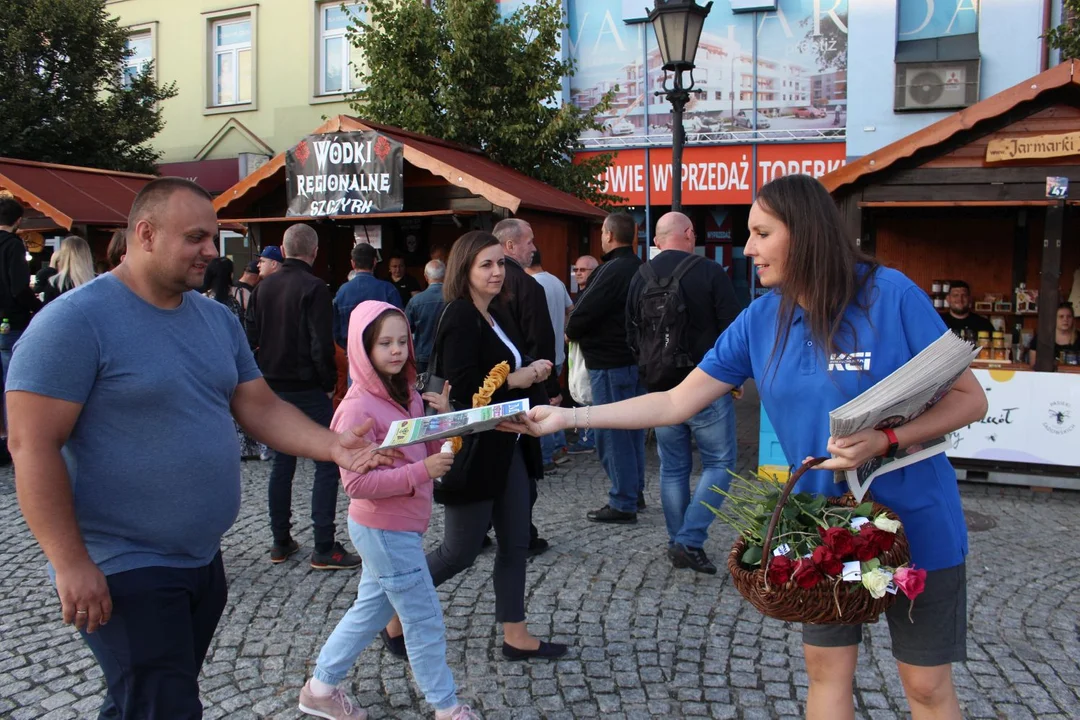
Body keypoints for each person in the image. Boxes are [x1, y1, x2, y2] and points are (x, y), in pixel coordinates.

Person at [512, 174, 986, 720]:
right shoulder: (762, 319)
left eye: (761, 232)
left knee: (925, 685)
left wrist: (886, 437)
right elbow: (672, 404)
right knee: (826, 673)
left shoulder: (891, 295)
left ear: (804, 233)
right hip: (822, 527)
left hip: (915, 515)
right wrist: (569, 415)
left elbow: (970, 399)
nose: (748, 247)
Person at [6, 177, 395, 719]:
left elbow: (258, 406)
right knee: (166, 706)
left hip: (200, 560)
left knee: (139, 700)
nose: (212, 252)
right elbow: (32, 445)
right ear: (145, 234)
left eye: (213, 237)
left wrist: (335, 446)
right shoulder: (72, 324)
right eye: (196, 238)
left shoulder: (215, 319)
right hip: (123, 563)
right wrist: (69, 562)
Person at [383, 231, 566, 662]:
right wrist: (520, 379)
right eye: (486, 264)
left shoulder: (495, 313)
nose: (497, 272)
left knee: (516, 540)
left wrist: (531, 379)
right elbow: (463, 388)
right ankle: (390, 613)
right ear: (465, 268)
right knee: (459, 552)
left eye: (501, 263)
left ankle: (516, 635)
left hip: (510, 447)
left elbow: (493, 375)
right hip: (477, 450)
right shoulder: (460, 315)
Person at [299, 301, 481, 720]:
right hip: (383, 528)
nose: (397, 351)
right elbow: (357, 483)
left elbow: (432, 452)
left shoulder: (409, 393)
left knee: (370, 611)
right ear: (364, 348)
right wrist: (421, 471)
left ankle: (320, 689)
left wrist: (445, 421)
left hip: (398, 527)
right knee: (423, 618)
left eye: (402, 341)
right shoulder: (357, 407)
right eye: (385, 343)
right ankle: (447, 708)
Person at [626, 212, 740, 575]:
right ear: (689, 234)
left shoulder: (639, 278)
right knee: (720, 464)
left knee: (673, 467)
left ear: (657, 241)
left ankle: (677, 540)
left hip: (660, 388)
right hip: (706, 386)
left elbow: (631, 336)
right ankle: (689, 541)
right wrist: (734, 380)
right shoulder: (710, 272)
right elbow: (733, 332)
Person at [248, 224, 361, 569]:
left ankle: (280, 540)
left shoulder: (262, 288)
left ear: (282, 251)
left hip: (272, 385)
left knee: (282, 463)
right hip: (308, 385)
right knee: (327, 460)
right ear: (313, 253)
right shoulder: (314, 288)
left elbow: (251, 336)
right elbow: (320, 343)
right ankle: (324, 545)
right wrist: (329, 384)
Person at [565, 212, 646, 524]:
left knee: (611, 434)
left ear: (609, 235)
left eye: (602, 233)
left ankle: (624, 501)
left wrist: (572, 329)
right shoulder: (641, 268)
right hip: (634, 362)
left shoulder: (611, 270)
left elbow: (581, 316)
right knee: (632, 432)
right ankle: (633, 493)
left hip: (610, 365)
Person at [525, 249, 574, 471]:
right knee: (554, 401)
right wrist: (562, 329)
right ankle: (559, 447)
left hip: (540, 357)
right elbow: (570, 309)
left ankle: (546, 456)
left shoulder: (530, 285)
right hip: (558, 353)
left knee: (541, 406)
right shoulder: (556, 281)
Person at [333, 243, 402, 350]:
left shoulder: (342, 291)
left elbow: (336, 330)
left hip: (353, 351)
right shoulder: (389, 290)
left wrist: (349, 348)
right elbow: (400, 325)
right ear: (374, 262)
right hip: (383, 353)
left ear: (353, 263)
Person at [565, 254, 600, 455]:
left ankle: (588, 440)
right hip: (577, 354)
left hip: (588, 356)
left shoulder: (592, 296)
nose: (578, 273)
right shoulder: (581, 295)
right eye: (576, 270)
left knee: (587, 397)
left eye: (583, 270)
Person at [405, 259, 446, 375]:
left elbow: (407, 329)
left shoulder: (415, 301)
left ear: (425, 277)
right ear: (445, 275)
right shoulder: (454, 298)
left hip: (423, 355)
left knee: (422, 391)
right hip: (447, 354)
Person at [1028, 302, 1080, 366]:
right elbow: (1033, 365)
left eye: (1069, 316)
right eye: (1061, 316)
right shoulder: (1041, 338)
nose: (1065, 319)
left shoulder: (1078, 337)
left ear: (1073, 319)